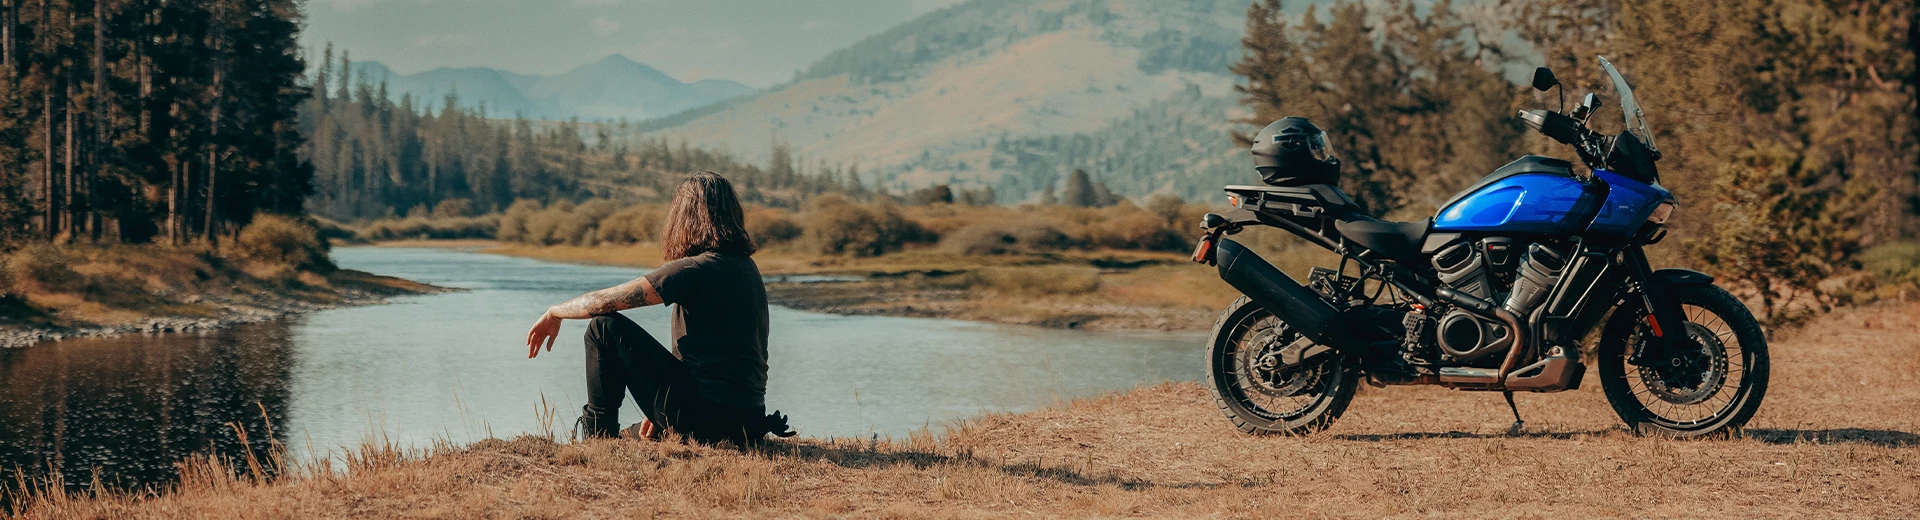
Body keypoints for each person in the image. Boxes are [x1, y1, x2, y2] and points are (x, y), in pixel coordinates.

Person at [524, 171, 792, 446]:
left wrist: (555, 312)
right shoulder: (747, 267)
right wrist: (658, 405)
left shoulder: (695, 269)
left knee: (603, 328)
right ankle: (619, 435)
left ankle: (597, 437)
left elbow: (603, 302)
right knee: (631, 434)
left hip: (707, 419)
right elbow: (716, 356)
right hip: (748, 422)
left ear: (686, 217)